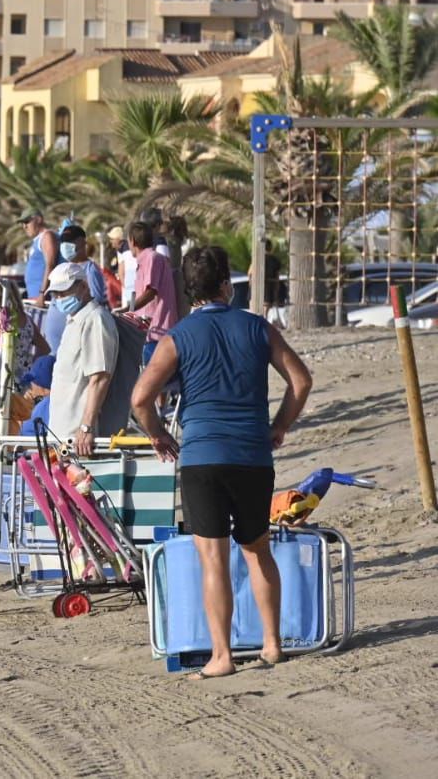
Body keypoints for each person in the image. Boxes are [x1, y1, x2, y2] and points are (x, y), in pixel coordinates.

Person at [132, 246, 313, 679]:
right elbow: (301, 380)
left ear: (189, 289)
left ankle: (222, 656)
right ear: (226, 287)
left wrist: (158, 434)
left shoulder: (177, 337)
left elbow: (140, 398)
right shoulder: (258, 328)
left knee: (212, 559)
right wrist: (279, 426)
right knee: (257, 550)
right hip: (252, 454)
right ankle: (272, 645)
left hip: (202, 457)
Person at [45, 263, 120, 457]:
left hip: (78, 439)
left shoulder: (95, 319)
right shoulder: (74, 320)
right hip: (63, 436)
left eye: (65, 292)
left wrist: (86, 427)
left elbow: (100, 377)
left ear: (83, 286)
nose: (60, 299)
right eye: (56, 295)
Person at [40, 224, 109, 354]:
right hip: (54, 345)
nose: (65, 244)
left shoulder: (90, 270)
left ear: (82, 242)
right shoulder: (62, 268)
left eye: (70, 241)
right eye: (64, 241)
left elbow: (95, 302)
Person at [117, 221, 180, 364]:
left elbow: (150, 291)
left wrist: (128, 308)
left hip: (158, 335)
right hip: (148, 335)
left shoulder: (153, 258)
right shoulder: (144, 261)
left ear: (132, 241)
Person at [20, 210, 60, 302]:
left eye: (27, 222)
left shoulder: (46, 236)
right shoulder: (38, 240)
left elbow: (51, 265)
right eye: (22, 223)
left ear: (38, 219)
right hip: (35, 296)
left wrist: (42, 293)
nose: (24, 226)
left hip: (43, 298)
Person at [263, 240, 286, 327]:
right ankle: (264, 320)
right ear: (270, 247)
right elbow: (277, 276)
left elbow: (250, 272)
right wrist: (276, 288)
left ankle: (263, 321)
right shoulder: (275, 260)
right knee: (267, 305)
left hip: (260, 285)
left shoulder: (258, 259)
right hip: (270, 285)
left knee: (264, 305)